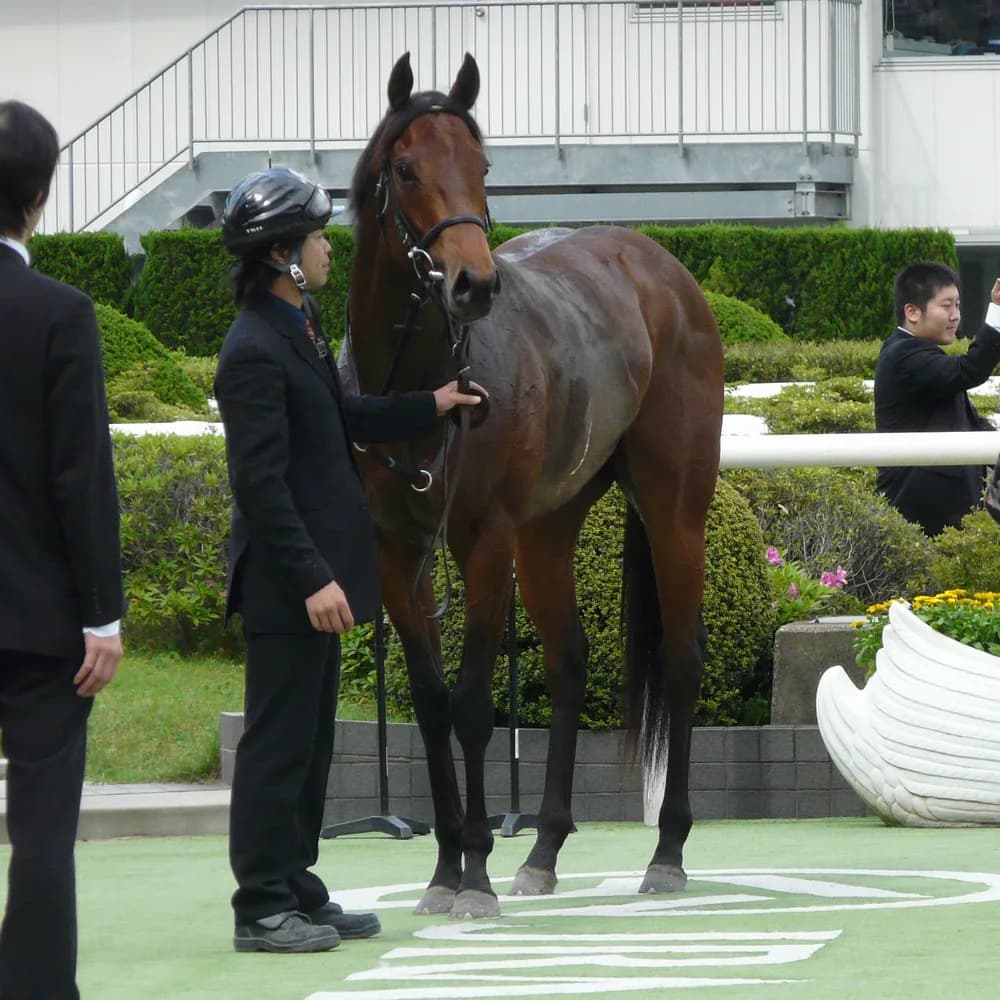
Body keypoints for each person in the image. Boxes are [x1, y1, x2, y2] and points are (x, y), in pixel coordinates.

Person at [215, 167, 482, 954]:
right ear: (284, 258)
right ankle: (261, 905)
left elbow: (341, 415)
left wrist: (433, 403)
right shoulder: (253, 350)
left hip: (317, 580)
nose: (328, 248)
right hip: (291, 587)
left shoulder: (293, 331)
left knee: (310, 744)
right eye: (316, 238)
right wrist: (313, 580)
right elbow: (259, 488)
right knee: (276, 746)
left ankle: (297, 886)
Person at [0, 101, 124, 999]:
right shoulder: (61, 314)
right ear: (41, 196)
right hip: (43, 625)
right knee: (42, 832)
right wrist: (103, 616)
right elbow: (82, 477)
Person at [874, 261, 1000, 536]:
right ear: (913, 312)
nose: (955, 315)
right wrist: (998, 311)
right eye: (946, 306)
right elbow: (969, 370)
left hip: (941, 516)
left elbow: (967, 424)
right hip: (919, 520)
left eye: (957, 305)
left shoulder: (919, 352)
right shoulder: (903, 356)